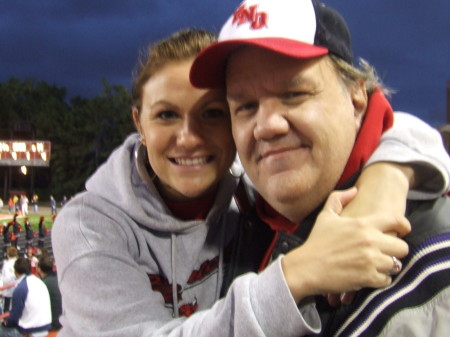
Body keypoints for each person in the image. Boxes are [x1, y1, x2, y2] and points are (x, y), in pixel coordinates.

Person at [51, 28, 450, 337]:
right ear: (138, 122)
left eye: (212, 114)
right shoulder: (90, 223)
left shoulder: (251, 193)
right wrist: (297, 275)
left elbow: (390, 125)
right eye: (167, 115)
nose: (188, 138)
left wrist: (388, 179)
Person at [189, 0, 450, 335]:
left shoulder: (432, 273)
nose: (266, 125)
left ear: (357, 98)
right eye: (246, 106)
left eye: (294, 93)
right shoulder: (234, 215)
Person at [0, 257, 51, 337]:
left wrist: (5, 322)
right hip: (46, 326)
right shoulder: (39, 282)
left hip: (31, 330)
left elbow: (14, 316)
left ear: (15, 271)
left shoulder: (20, 288)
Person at [37, 255, 62, 332]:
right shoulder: (61, 278)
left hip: (53, 324)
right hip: (66, 320)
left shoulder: (42, 284)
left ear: (39, 269)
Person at [1, 247, 19, 313]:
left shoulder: (7, 265)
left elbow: (6, 279)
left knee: (7, 309)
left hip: (9, 290)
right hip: (18, 289)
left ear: (8, 254)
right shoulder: (19, 262)